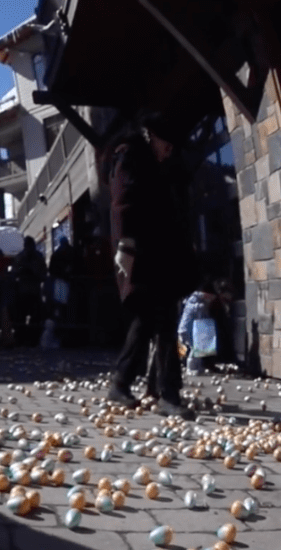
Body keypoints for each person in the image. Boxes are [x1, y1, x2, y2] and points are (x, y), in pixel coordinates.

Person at [108, 115, 198, 419]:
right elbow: (123, 203)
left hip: (162, 254)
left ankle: (135, 385)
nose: (169, 150)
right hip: (145, 253)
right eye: (166, 144)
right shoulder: (131, 156)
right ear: (151, 136)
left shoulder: (160, 164)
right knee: (159, 321)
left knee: (152, 320)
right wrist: (125, 244)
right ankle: (165, 393)